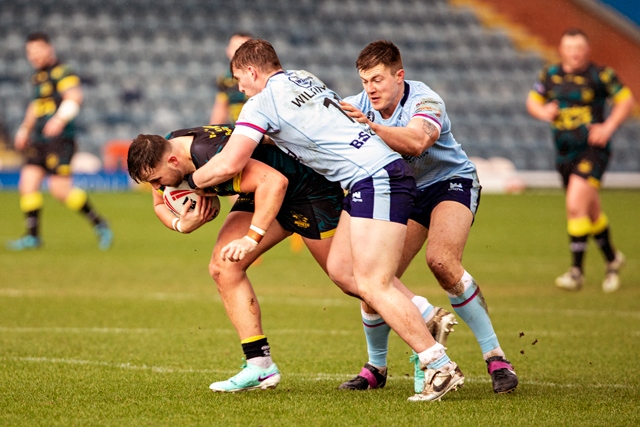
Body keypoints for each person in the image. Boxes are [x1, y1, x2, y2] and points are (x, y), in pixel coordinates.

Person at [184, 38, 466, 402]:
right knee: (343, 269)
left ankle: (437, 364)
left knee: (373, 283)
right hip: (370, 175)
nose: (239, 87)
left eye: (239, 79)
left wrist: (191, 183)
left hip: (375, 178)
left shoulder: (260, 103)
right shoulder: (304, 78)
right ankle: (425, 316)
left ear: (252, 72)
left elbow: (230, 163)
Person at [339, 40, 518, 395]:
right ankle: (376, 367)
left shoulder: (425, 100)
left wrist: (369, 129)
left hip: (450, 182)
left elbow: (418, 142)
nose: (370, 89)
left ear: (399, 76)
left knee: (441, 261)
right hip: (404, 191)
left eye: (377, 79)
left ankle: (495, 357)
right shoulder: (358, 107)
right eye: (364, 81)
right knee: (373, 277)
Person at [127, 124, 345, 392]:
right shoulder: (167, 151)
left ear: (172, 160)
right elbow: (160, 205)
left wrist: (251, 238)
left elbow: (275, 181)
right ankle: (260, 366)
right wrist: (182, 225)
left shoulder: (206, 153)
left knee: (352, 280)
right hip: (261, 192)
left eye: (156, 180)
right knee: (223, 266)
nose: (157, 186)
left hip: (307, 191)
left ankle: (387, 357)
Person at [526, 28, 634, 293]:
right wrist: (543, 111)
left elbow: (626, 99)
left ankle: (576, 272)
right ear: (562, 50)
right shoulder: (551, 75)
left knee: (575, 205)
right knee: (590, 211)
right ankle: (612, 260)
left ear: (587, 51)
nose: (575, 53)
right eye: (570, 48)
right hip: (564, 153)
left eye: (579, 48)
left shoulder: (601, 76)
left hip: (593, 150)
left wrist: (608, 127)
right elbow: (533, 100)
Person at [7, 32, 113, 251]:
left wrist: (60, 118)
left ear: (49, 49)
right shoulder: (38, 76)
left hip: (60, 140)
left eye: (37, 50)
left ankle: (100, 224)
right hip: (39, 140)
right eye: (30, 52)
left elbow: (75, 97)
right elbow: (35, 105)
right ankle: (33, 237)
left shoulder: (62, 71)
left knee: (60, 190)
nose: (34, 56)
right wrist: (24, 129)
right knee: (27, 184)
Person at [209, 32, 253, 125]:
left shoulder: (260, 76)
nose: (239, 53)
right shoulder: (224, 78)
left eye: (244, 48)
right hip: (238, 128)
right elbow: (221, 107)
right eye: (236, 48)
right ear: (228, 51)